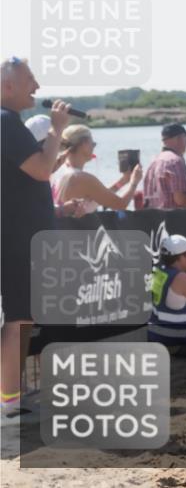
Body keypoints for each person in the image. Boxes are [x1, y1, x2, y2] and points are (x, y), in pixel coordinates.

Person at [1, 58, 71, 421]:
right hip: (15, 239)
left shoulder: (8, 123)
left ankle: (13, 395)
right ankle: (10, 401)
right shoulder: (5, 122)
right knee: (17, 319)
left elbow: (33, 175)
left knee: (22, 317)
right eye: (30, 79)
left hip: (18, 236)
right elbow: (41, 170)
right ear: (8, 84)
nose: (37, 86)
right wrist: (58, 129)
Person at [50, 125, 143, 213]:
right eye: (93, 144)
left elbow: (100, 195)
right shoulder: (81, 178)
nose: (93, 148)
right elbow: (120, 205)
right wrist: (134, 183)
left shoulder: (58, 170)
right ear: (84, 145)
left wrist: (124, 180)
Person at [143, 124, 186, 209]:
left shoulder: (153, 163)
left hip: (154, 220)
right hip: (175, 220)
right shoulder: (175, 161)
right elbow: (181, 199)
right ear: (179, 139)